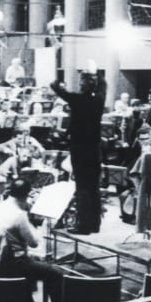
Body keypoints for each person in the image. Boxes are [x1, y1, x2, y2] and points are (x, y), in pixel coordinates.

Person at [0, 179, 65, 302]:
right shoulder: (19, 215)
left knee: (34, 260)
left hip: (0, 257)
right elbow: (34, 243)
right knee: (55, 273)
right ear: (26, 196)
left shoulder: (1, 206)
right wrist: (32, 221)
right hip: (14, 263)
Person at [51, 67, 106, 233]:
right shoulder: (99, 100)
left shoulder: (77, 99)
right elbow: (104, 86)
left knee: (82, 187)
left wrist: (57, 76)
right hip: (94, 149)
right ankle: (95, 225)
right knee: (93, 187)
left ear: (83, 85)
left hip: (79, 148)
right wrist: (97, 73)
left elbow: (55, 87)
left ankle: (83, 226)